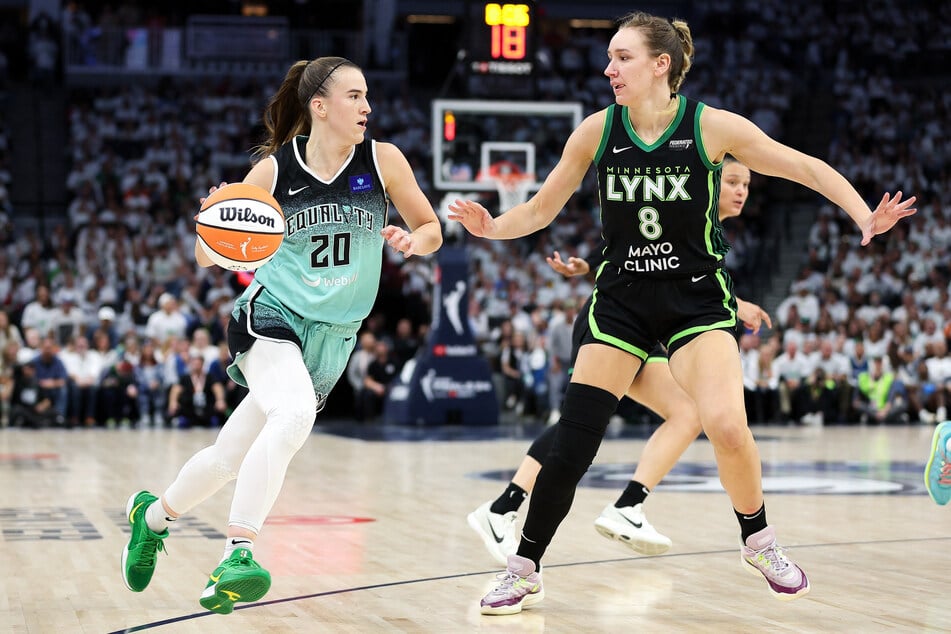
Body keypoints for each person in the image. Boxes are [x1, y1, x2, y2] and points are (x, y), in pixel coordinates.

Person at [449, 12, 915, 614]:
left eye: (622, 57)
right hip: (619, 302)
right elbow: (541, 208)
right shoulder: (596, 131)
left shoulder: (709, 127)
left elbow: (801, 165)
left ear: (660, 65)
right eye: (610, 58)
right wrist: (494, 228)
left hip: (694, 302)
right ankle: (523, 567)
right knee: (574, 444)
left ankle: (760, 540)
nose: (609, 68)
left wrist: (861, 214)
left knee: (725, 424)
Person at [121, 56, 442, 614]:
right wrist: (217, 217)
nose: (368, 107)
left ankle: (151, 517)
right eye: (355, 96)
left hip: (334, 336)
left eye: (368, 97)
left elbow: (432, 227)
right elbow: (206, 256)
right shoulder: (273, 172)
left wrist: (417, 242)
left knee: (228, 458)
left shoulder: (383, 160)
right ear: (319, 106)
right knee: (292, 418)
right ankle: (238, 554)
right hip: (272, 317)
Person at [467, 158, 772, 565]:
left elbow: (679, 277)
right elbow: (636, 251)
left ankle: (611, 505)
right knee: (586, 425)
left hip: (645, 328)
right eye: (733, 180)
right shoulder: (679, 202)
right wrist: (588, 265)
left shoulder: (702, 223)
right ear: (710, 178)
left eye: (747, 184)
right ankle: (512, 509)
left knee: (679, 412)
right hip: (613, 322)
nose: (740, 191)